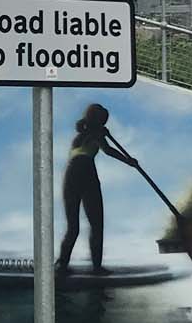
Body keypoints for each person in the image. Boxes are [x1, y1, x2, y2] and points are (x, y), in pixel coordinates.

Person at [57, 103, 137, 274]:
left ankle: (62, 265)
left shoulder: (81, 135)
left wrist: (102, 133)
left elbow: (98, 142)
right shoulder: (96, 133)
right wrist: (129, 161)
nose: (105, 124)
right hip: (86, 174)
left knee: (73, 228)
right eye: (103, 121)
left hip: (70, 176)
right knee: (96, 224)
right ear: (98, 121)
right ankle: (96, 267)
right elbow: (108, 151)